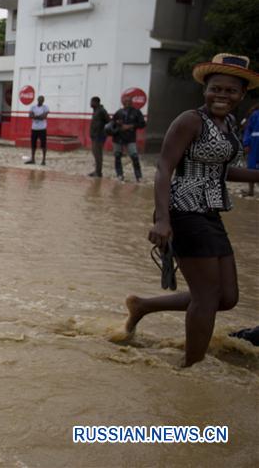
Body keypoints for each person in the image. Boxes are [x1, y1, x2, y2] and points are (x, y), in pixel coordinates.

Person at [125, 53, 259, 367]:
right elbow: (163, 168)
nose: (222, 95)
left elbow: (222, 171)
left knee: (227, 298)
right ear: (205, 89)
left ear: (241, 95)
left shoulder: (227, 126)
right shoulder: (190, 120)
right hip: (183, 211)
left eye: (230, 91)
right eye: (216, 88)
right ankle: (190, 368)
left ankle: (143, 306)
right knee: (207, 297)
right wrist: (162, 219)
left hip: (211, 212)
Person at [110, 95, 146, 182]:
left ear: (132, 102)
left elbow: (143, 124)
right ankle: (120, 175)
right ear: (122, 102)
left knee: (134, 156)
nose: (127, 103)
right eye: (125, 101)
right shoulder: (118, 112)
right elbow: (111, 124)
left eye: (129, 101)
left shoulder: (137, 112)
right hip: (118, 137)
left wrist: (130, 126)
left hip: (130, 138)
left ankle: (138, 177)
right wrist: (117, 123)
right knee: (117, 156)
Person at [88, 96, 110, 177]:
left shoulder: (101, 111)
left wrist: (103, 132)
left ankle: (98, 172)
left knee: (98, 154)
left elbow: (109, 121)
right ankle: (97, 171)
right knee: (95, 154)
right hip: (95, 136)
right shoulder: (96, 111)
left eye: (91, 102)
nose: (90, 104)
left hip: (99, 136)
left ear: (96, 102)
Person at [25, 95, 49, 165]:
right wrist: (39, 116)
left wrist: (35, 116)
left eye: (42, 99)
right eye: (39, 99)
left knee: (43, 144)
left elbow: (44, 117)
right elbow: (30, 116)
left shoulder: (45, 107)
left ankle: (43, 160)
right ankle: (33, 159)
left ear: (43, 101)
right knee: (33, 144)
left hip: (42, 129)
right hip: (34, 128)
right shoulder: (33, 107)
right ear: (37, 100)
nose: (40, 100)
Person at [243, 102, 259, 196]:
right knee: (252, 166)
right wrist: (246, 144)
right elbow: (248, 129)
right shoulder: (255, 114)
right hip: (254, 143)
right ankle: (251, 190)